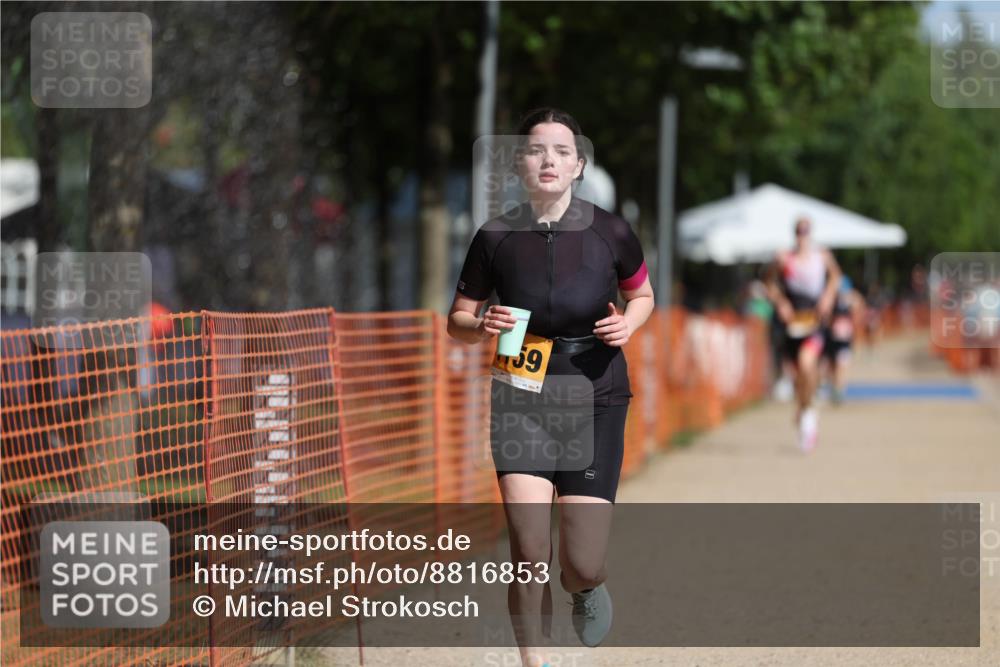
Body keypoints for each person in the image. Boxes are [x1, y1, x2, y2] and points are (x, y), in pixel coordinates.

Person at [446, 108, 654, 667]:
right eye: (537, 150)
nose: (549, 161)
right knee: (529, 550)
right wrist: (480, 324)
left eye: (562, 152)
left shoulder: (611, 231)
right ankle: (535, 662)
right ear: (520, 163)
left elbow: (644, 295)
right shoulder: (494, 236)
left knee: (580, 561)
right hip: (521, 394)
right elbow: (457, 320)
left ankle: (586, 586)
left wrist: (628, 324)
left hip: (596, 395)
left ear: (578, 166)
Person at [765, 216, 842, 451]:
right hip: (792, 323)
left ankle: (807, 414)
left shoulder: (822, 256)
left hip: (814, 321)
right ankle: (804, 408)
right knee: (799, 375)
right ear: (794, 233)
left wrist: (828, 297)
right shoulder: (783, 258)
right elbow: (769, 282)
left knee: (807, 364)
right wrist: (780, 302)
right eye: (799, 230)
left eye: (806, 230)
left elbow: (836, 277)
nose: (802, 235)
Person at [821, 276, 865, 405]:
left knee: (842, 365)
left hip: (845, 340)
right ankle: (833, 387)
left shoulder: (852, 300)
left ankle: (839, 390)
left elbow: (859, 314)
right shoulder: (831, 300)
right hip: (831, 338)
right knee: (832, 365)